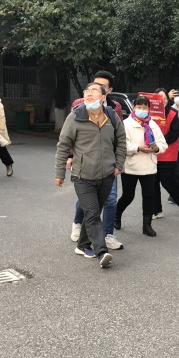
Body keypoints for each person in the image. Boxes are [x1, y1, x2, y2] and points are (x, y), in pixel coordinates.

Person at [55, 82, 126, 269]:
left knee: (92, 212)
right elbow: (63, 145)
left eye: (94, 90)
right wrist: (59, 173)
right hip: (82, 176)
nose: (89, 93)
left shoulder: (111, 116)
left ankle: (82, 245)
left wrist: (118, 164)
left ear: (103, 97)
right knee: (93, 213)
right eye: (86, 91)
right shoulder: (75, 117)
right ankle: (101, 252)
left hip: (107, 175)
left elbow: (121, 140)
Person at [69, 70, 124, 251]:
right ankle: (79, 224)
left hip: (108, 163)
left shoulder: (114, 108)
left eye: (101, 87)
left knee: (110, 199)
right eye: (93, 86)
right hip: (85, 165)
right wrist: (71, 156)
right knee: (88, 202)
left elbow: (119, 135)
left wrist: (119, 161)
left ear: (108, 91)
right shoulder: (79, 104)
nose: (93, 91)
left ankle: (107, 235)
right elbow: (71, 134)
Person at [115, 95, 168, 237]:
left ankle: (147, 225)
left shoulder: (153, 124)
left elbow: (163, 144)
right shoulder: (126, 124)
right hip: (131, 167)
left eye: (145, 107)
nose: (142, 110)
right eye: (139, 107)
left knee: (149, 196)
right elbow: (122, 145)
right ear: (134, 107)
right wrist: (138, 148)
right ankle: (116, 215)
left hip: (149, 167)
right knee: (128, 196)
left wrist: (156, 148)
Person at [151, 89, 179, 220]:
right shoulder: (149, 114)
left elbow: (175, 133)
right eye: (159, 98)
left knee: (167, 181)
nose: (162, 101)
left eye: (164, 98)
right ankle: (157, 210)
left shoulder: (173, 113)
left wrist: (160, 142)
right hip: (152, 153)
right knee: (153, 184)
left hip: (168, 152)